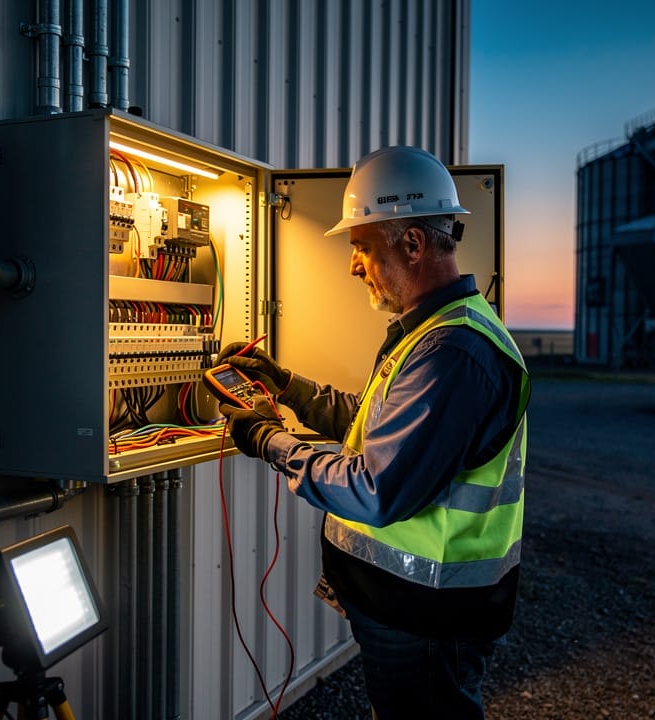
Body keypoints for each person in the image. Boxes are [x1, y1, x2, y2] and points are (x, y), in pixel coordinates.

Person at [217, 146, 529, 719]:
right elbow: (374, 425)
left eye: (361, 246)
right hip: (414, 611)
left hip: (428, 617)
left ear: (411, 243)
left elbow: (376, 487)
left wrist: (268, 440)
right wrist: (284, 386)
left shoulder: (452, 352)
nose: (352, 265)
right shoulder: (434, 333)